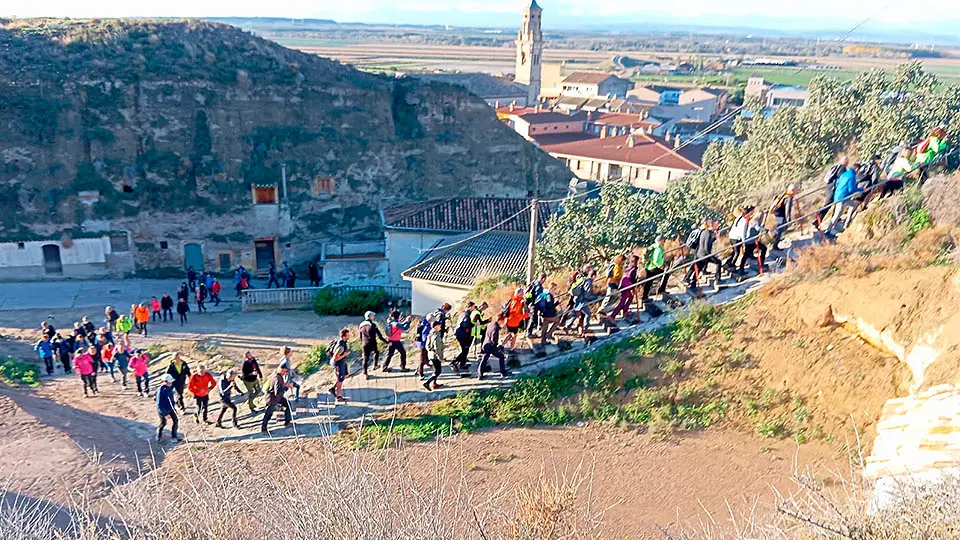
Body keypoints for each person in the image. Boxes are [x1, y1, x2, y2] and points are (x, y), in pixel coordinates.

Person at [828, 164, 861, 233]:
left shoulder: (845, 174)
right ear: (857, 169)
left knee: (854, 204)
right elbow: (851, 189)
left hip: (838, 195)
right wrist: (862, 189)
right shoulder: (852, 176)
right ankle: (828, 231)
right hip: (842, 198)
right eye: (859, 170)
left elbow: (837, 183)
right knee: (837, 215)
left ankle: (846, 223)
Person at [261, 363, 294, 433]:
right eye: (286, 371)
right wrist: (286, 387)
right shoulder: (277, 378)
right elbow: (278, 391)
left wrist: (285, 385)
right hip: (272, 399)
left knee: (287, 405)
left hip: (276, 398)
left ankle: (287, 422)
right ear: (282, 370)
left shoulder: (277, 376)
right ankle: (264, 429)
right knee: (268, 414)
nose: (286, 373)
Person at [477, 313, 511, 380]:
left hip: (485, 344)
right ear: (500, 320)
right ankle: (503, 373)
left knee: (484, 359)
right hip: (491, 346)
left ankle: (480, 375)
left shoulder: (490, 324)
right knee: (501, 356)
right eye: (503, 321)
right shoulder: (495, 329)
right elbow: (494, 341)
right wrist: (498, 348)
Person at [692, 219, 724, 290]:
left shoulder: (704, 231)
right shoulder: (708, 234)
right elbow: (706, 246)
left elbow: (706, 242)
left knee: (699, 268)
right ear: (711, 226)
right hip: (705, 254)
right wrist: (710, 256)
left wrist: (715, 238)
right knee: (718, 262)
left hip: (700, 254)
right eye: (715, 225)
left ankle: (693, 283)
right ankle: (717, 279)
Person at [818, 155, 849, 226]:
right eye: (847, 161)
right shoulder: (842, 168)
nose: (848, 162)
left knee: (834, 203)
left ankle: (834, 218)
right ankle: (818, 218)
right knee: (828, 203)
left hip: (829, 187)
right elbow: (842, 178)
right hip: (833, 188)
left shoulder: (837, 167)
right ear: (844, 162)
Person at [358, 311, 387, 379]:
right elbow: (379, 336)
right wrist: (387, 342)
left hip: (364, 343)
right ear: (369, 316)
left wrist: (362, 343)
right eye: (373, 316)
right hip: (372, 342)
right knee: (376, 352)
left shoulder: (361, 325)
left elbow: (360, 336)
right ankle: (375, 365)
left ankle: (365, 373)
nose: (374, 317)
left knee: (365, 358)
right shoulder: (372, 325)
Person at [769, 185, 798, 251]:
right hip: (780, 215)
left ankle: (774, 240)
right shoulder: (789, 197)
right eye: (795, 190)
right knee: (781, 229)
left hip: (776, 214)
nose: (796, 192)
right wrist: (788, 221)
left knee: (779, 228)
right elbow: (788, 210)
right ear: (792, 190)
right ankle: (775, 245)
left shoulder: (784, 194)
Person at [640, 237, 668, 306]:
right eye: (663, 240)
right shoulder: (658, 249)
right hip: (654, 267)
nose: (664, 242)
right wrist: (661, 266)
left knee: (648, 282)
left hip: (648, 267)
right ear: (660, 241)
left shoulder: (653, 246)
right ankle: (661, 289)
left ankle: (644, 297)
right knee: (666, 274)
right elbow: (656, 260)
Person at [612, 255, 639, 321]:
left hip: (624, 284)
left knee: (630, 297)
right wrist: (634, 287)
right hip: (626, 285)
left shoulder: (629, 267)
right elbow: (632, 278)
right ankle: (613, 315)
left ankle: (625, 311)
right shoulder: (633, 268)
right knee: (623, 300)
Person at [327, 328, 351, 403]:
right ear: (344, 337)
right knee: (340, 380)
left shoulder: (341, 341)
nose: (349, 336)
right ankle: (338, 397)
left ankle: (333, 389)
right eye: (348, 335)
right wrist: (344, 355)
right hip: (338, 363)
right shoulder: (341, 346)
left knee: (346, 375)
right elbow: (335, 358)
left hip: (342, 362)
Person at [452, 302, 476, 373]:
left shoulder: (462, 313)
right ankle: (455, 362)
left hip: (459, 334)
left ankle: (462, 363)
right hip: (463, 335)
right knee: (465, 350)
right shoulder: (467, 315)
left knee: (465, 350)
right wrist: (473, 325)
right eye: (473, 307)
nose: (474, 308)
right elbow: (466, 327)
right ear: (470, 307)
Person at [503, 288, 529, 353]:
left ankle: (502, 345)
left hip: (510, 320)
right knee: (514, 335)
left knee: (511, 334)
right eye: (522, 293)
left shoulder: (514, 300)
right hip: (513, 321)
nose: (523, 294)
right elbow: (516, 314)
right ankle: (511, 348)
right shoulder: (516, 302)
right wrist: (526, 315)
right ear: (519, 293)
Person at [156, 374, 181, 442]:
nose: (171, 383)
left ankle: (174, 437)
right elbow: (159, 404)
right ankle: (158, 436)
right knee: (163, 423)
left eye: (171, 381)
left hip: (171, 408)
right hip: (162, 410)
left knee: (175, 421)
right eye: (169, 382)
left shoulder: (171, 386)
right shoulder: (160, 390)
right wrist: (165, 414)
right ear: (164, 381)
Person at [424, 319, 445, 391]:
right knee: (438, 372)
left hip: (430, 355)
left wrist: (431, 351)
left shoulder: (430, 334)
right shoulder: (437, 336)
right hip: (436, 357)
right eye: (439, 325)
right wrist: (441, 358)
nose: (440, 326)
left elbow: (427, 346)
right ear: (435, 327)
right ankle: (427, 383)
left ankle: (434, 384)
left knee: (435, 370)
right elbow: (438, 349)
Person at [415, 315, 432, 380]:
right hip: (423, 344)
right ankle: (420, 374)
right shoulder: (427, 326)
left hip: (420, 343)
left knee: (424, 357)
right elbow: (424, 336)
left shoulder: (423, 323)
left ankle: (418, 369)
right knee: (422, 360)